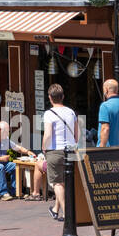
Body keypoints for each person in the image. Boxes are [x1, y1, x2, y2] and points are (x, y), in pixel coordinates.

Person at [42, 84, 79, 222]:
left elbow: (48, 134)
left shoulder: (48, 114)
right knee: (65, 181)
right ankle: (55, 209)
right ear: (62, 96)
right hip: (71, 150)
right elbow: (76, 134)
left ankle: (67, 213)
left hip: (55, 150)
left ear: (50, 98)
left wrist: (43, 147)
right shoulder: (71, 112)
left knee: (57, 183)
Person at [0, 121, 36, 200]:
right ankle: (4, 193)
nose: (8, 133)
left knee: (15, 166)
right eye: (6, 131)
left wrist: (28, 152)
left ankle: (16, 191)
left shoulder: (5, 139)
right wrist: (2, 159)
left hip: (0, 162)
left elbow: (17, 147)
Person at [98, 79, 119, 148]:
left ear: (106, 89)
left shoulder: (105, 106)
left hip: (109, 151)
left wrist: (101, 148)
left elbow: (105, 129)